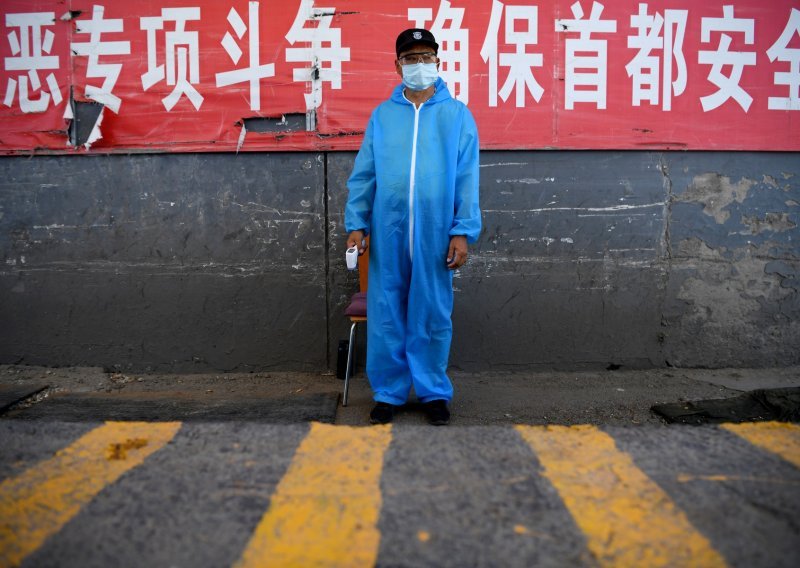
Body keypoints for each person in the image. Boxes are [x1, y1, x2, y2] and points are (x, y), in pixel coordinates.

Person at [344, 28, 481, 426]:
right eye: (411, 58)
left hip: (436, 234)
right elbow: (364, 174)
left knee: (432, 312)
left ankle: (432, 392)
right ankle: (388, 393)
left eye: (426, 56)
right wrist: (357, 223)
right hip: (388, 232)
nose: (419, 64)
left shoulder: (456, 116)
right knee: (386, 311)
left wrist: (462, 231)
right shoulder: (383, 116)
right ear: (397, 64)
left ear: (438, 61)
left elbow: (467, 177)